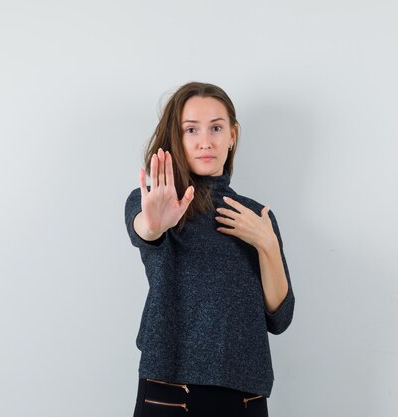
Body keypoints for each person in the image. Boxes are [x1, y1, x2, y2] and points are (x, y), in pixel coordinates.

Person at [125, 81, 295, 417]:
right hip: (172, 394)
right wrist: (155, 223)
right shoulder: (155, 201)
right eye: (192, 130)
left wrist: (266, 243)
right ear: (178, 137)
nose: (206, 141)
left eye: (216, 128)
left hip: (245, 399)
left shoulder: (256, 217)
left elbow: (280, 318)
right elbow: (145, 229)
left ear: (232, 135)